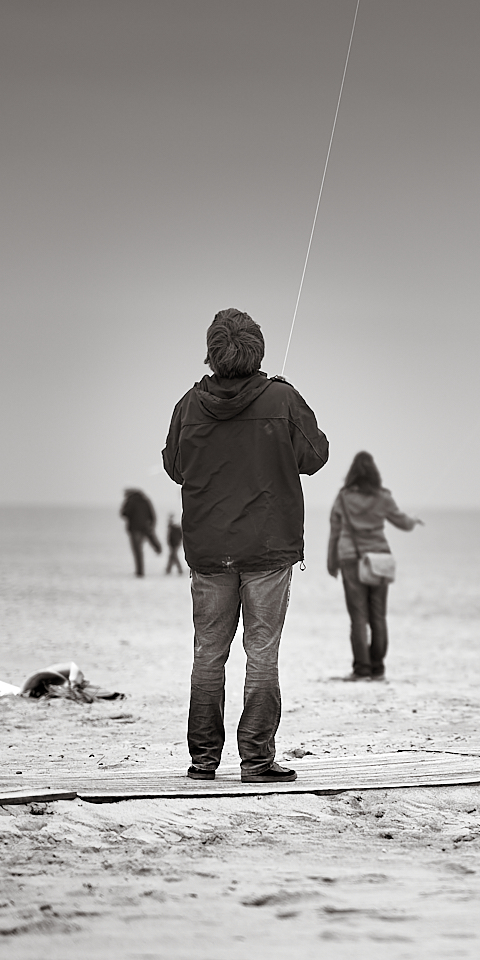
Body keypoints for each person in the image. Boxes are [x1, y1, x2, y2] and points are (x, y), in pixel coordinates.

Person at [163, 308, 328, 783]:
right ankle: (256, 760)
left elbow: (175, 466)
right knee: (262, 653)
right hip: (268, 548)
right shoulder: (282, 397)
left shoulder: (189, 406)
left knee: (209, 653)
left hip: (210, 549)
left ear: (213, 353)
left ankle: (203, 761)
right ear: (256, 350)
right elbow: (315, 456)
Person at [327, 451, 422, 682]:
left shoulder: (343, 498)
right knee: (378, 616)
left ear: (351, 473)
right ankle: (378, 668)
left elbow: (335, 531)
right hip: (380, 558)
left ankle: (361, 670)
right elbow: (402, 522)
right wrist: (413, 521)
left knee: (358, 618)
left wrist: (332, 562)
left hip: (351, 558)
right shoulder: (383, 497)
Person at [120, 489, 161, 577]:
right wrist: (152, 525)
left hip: (135, 528)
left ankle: (140, 572)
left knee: (137, 551)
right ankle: (157, 548)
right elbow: (152, 515)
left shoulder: (130, 501)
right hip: (145, 527)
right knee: (143, 546)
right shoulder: (145, 500)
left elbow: (124, 513)